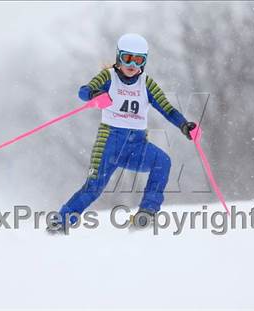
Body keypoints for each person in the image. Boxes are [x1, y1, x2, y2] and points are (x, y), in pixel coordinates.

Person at [49, 33, 196, 233]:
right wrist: (95, 94)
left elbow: (167, 109)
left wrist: (184, 126)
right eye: (127, 58)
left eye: (139, 60)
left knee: (162, 162)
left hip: (137, 145)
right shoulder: (108, 77)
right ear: (119, 57)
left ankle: (147, 213)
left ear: (144, 62)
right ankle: (61, 222)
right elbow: (83, 91)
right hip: (109, 143)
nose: (132, 65)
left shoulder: (147, 84)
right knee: (94, 188)